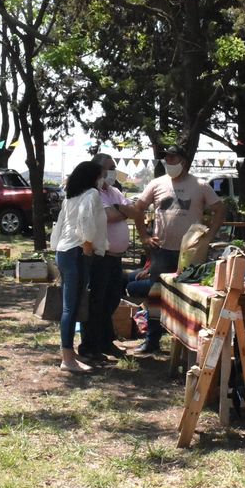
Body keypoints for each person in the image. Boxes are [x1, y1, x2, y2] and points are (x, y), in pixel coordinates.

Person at [128, 143, 225, 355]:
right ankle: (152, 341)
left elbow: (219, 209)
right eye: (167, 159)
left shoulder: (200, 185)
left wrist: (208, 237)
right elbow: (138, 208)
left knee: (189, 297)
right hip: (162, 250)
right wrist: (144, 236)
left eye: (173, 158)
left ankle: (186, 346)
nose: (169, 162)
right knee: (156, 296)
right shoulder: (156, 183)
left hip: (191, 253)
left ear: (184, 161)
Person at [81, 153, 147, 361]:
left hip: (115, 258)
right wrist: (121, 210)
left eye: (114, 167)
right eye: (109, 167)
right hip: (100, 257)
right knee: (96, 301)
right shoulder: (92, 193)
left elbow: (135, 211)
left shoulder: (114, 191)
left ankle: (105, 341)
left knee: (111, 300)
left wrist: (121, 209)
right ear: (97, 169)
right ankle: (90, 346)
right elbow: (109, 216)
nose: (112, 171)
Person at [49, 161, 108, 373]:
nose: (104, 178)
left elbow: (61, 224)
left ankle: (70, 355)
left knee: (70, 305)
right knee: (71, 307)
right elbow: (86, 223)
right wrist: (88, 247)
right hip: (77, 252)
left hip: (64, 251)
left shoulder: (71, 195)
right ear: (93, 177)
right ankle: (67, 359)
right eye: (102, 174)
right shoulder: (91, 194)